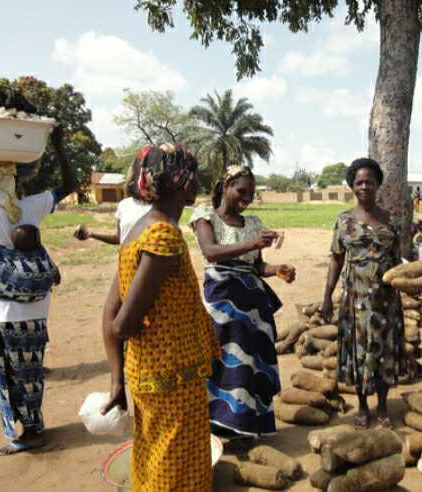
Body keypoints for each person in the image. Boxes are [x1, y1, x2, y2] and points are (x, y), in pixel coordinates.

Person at [101, 143, 218, 490]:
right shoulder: (164, 234)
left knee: (154, 458)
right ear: (181, 183)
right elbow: (121, 322)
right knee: (176, 469)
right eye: (194, 175)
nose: (198, 183)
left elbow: (109, 310)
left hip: (149, 375)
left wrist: (117, 380)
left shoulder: (136, 230)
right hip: (171, 378)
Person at [0, 126, 77, 455]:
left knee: (7, 371)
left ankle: (31, 432)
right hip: (35, 308)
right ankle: (32, 427)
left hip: (6, 309)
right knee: (29, 372)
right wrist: (59, 146)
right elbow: (70, 185)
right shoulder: (28, 207)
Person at [190, 165, 294, 438]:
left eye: (251, 193)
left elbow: (257, 267)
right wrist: (253, 244)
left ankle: (249, 425)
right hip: (222, 304)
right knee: (223, 360)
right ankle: (219, 424)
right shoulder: (205, 216)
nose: (246, 198)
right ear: (226, 186)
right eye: (241, 191)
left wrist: (279, 269)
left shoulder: (254, 224)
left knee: (253, 364)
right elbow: (211, 252)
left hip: (255, 309)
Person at [322, 158, 405, 429]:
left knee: (383, 352)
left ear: (378, 184)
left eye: (370, 181)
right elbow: (336, 260)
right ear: (351, 186)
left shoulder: (390, 220)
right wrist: (326, 298)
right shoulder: (343, 221)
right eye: (359, 182)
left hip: (385, 301)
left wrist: (411, 284)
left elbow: (397, 262)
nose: (365, 186)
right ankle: (362, 406)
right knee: (358, 354)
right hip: (355, 301)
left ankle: (382, 405)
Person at [74, 163, 151, 245]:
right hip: (127, 257)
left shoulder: (157, 206)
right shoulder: (124, 205)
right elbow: (118, 238)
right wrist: (91, 234)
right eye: (133, 176)